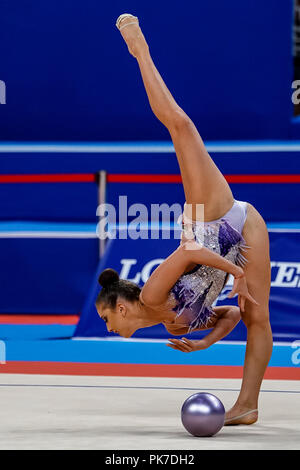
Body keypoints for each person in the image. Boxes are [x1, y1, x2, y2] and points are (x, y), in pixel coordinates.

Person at [95, 14, 273, 425]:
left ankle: (139, 49)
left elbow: (190, 248)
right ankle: (248, 406)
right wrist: (207, 341)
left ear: (122, 308)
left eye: (106, 319)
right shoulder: (175, 327)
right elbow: (229, 316)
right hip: (244, 226)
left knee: (182, 127)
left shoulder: (154, 296)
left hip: (209, 221)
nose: (107, 328)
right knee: (256, 316)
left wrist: (236, 276)